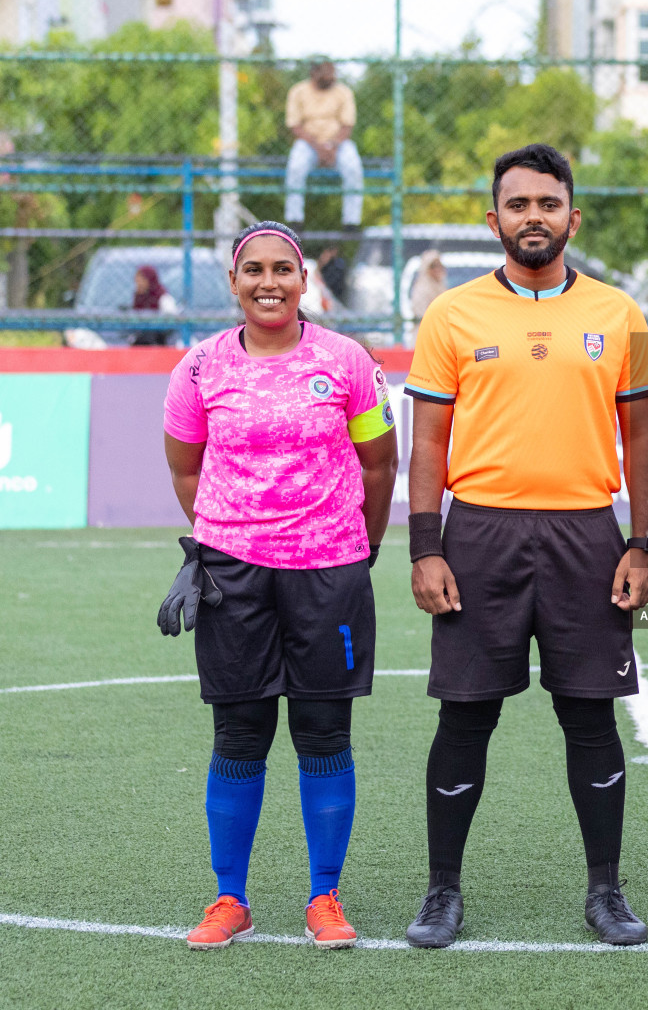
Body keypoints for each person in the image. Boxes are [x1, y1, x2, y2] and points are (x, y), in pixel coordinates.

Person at [402, 144, 648, 949]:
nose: (534, 218)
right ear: (494, 221)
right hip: (479, 533)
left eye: (548, 204)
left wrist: (644, 542)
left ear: (572, 217)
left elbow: (642, 440)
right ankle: (443, 891)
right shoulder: (452, 314)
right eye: (518, 205)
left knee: (590, 717)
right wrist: (425, 546)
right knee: (465, 716)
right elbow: (426, 444)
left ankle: (605, 892)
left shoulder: (618, 314)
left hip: (588, 531)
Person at [159, 220, 398, 950]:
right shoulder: (198, 368)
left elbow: (381, 465)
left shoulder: (348, 360)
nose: (269, 282)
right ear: (233, 283)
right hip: (234, 577)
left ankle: (324, 897)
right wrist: (228, 535)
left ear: (304, 281)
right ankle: (229, 898)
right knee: (239, 734)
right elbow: (185, 468)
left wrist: (363, 549)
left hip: (330, 571)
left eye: (283, 270)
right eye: (253, 270)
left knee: (324, 732)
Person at [285, 60, 363, 229]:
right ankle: (295, 219)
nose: (331, 77)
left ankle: (351, 221)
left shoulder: (343, 92)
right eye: (327, 74)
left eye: (333, 73)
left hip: (338, 143)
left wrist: (332, 146)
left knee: (353, 167)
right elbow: (295, 125)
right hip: (308, 143)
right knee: (296, 166)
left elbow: (347, 125)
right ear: (314, 73)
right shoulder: (298, 91)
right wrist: (318, 147)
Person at [410, 249, 448, 317]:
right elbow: (420, 313)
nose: (437, 269)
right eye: (433, 266)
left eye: (439, 265)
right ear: (426, 268)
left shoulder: (441, 286)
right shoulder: (422, 288)